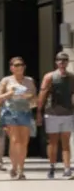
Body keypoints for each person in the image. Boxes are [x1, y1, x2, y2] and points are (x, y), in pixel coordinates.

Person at [0, 56, 36, 180]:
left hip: (25, 112)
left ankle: (21, 169)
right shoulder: (6, 80)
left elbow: (35, 98)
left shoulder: (29, 81)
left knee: (24, 142)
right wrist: (10, 93)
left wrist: (27, 96)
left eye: (21, 65)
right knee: (15, 141)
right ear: (11, 68)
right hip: (10, 112)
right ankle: (14, 167)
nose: (20, 67)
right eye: (17, 65)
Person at [37, 51, 74, 179]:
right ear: (56, 62)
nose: (62, 62)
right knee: (52, 142)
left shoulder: (71, 77)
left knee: (66, 142)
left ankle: (67, 168)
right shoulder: (50, 77)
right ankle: (52, 166)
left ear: (67, 62)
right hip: (52, 113)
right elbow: (42, 94)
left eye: (64, 60)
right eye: (59, 60)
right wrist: (39, 111)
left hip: (67, 112)